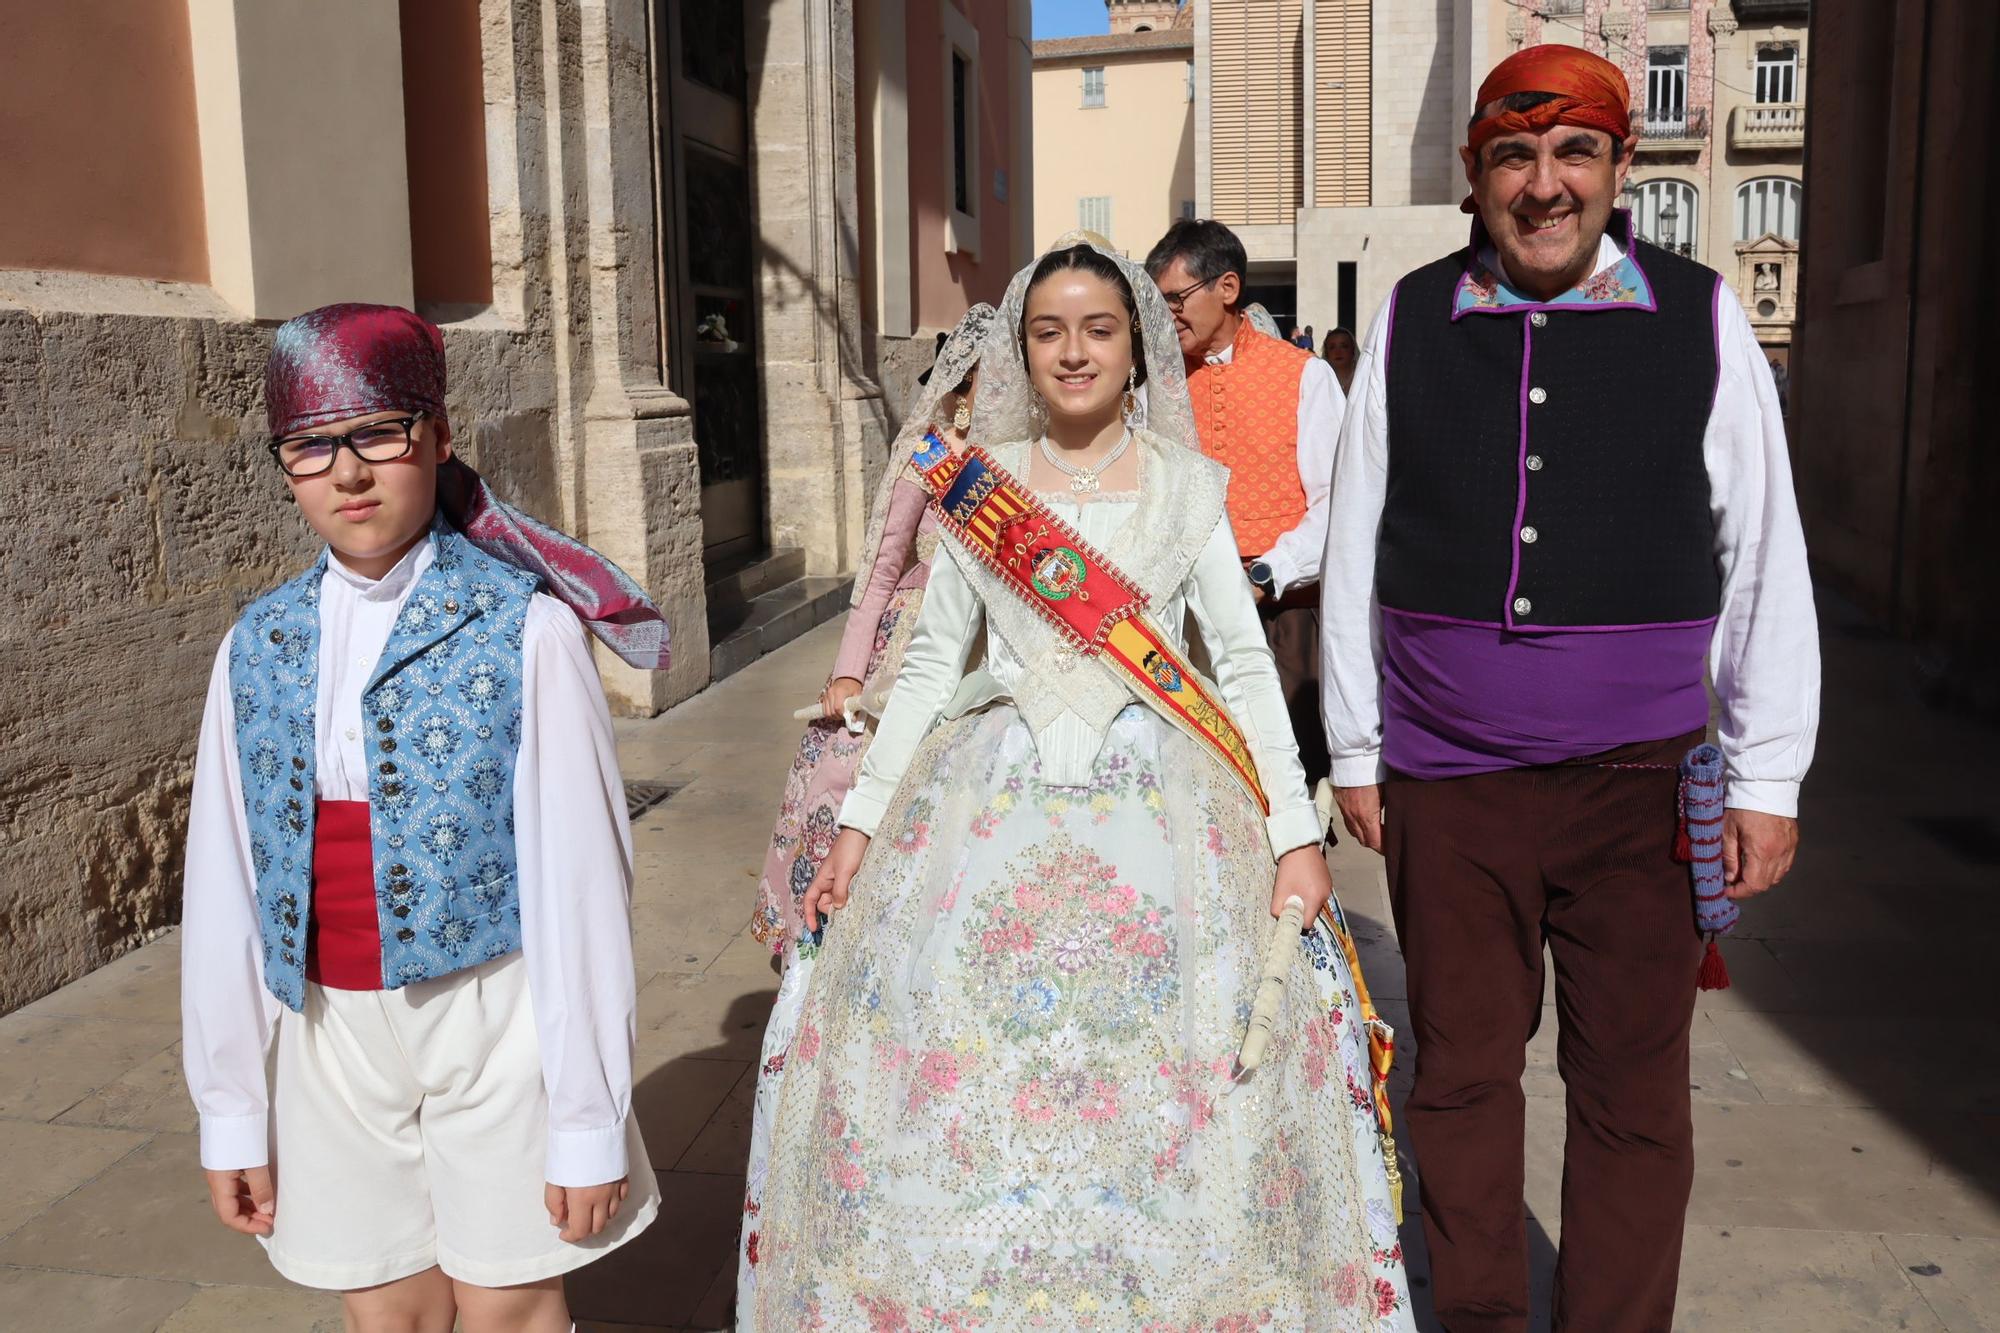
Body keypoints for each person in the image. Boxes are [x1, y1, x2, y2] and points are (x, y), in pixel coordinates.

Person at [742, 238, 1412, 1329]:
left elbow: (1240, 665)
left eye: (1097, 329)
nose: (1071, 351)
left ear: (1137, 348)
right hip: (983, 806)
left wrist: (1293, 831)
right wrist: (859, 822)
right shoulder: (978, 491)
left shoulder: (1191, 488)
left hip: (1164, 806)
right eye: (1046, 331)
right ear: (1018, 349)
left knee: (1168, 1085)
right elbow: (927, 664)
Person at [1319, 45, 1820, 1332]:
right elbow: (1358, 540)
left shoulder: (1704, 317)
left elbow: (1761, 552)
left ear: (1619, 167)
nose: (1543, 186)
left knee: (1633, 1099)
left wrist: (1766, 775)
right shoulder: (1409, 319)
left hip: (1641, 793)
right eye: (1512, 157)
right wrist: (1360, 749)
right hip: (1451, 785)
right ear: (1476, 176)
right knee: (1464, 1082)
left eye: (1571, 154)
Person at [181, 304, 662, 1331]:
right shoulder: (254, 645)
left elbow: (579, 881)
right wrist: (232, 1106)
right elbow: (226, 886)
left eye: (378, 432)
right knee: (386, 1305)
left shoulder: (523, 630)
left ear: (436, 439)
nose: (347, 471)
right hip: (327, 1032)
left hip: (495, 1017)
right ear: (285, 465)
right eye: (312, 444)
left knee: (508, 1303)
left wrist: (586, 1117)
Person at [736, 303, 994, 1311]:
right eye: (979, 377)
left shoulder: (1037, 459)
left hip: (982, 672)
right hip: (902, 654)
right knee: (838, 803)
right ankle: (824, 991)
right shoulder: (936, 454)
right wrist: (848, 678)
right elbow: (882, 567)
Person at [1146, 218, 1344, 784]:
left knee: (1289, 777)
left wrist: (1265, 573)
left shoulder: (1304, 375)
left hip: (1286, 614)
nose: (1168, 316)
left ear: (1227, 289)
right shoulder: (1155, 387)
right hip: (1185, 618)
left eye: (1177, 299)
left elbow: (1336, 502)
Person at [1323, 325, 1360, 395]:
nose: (1338, 352)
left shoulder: (1363, 379)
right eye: (1332, 347)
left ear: (1353, 350)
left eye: (1344, 346)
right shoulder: (1321, 380)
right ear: (1326, 353)